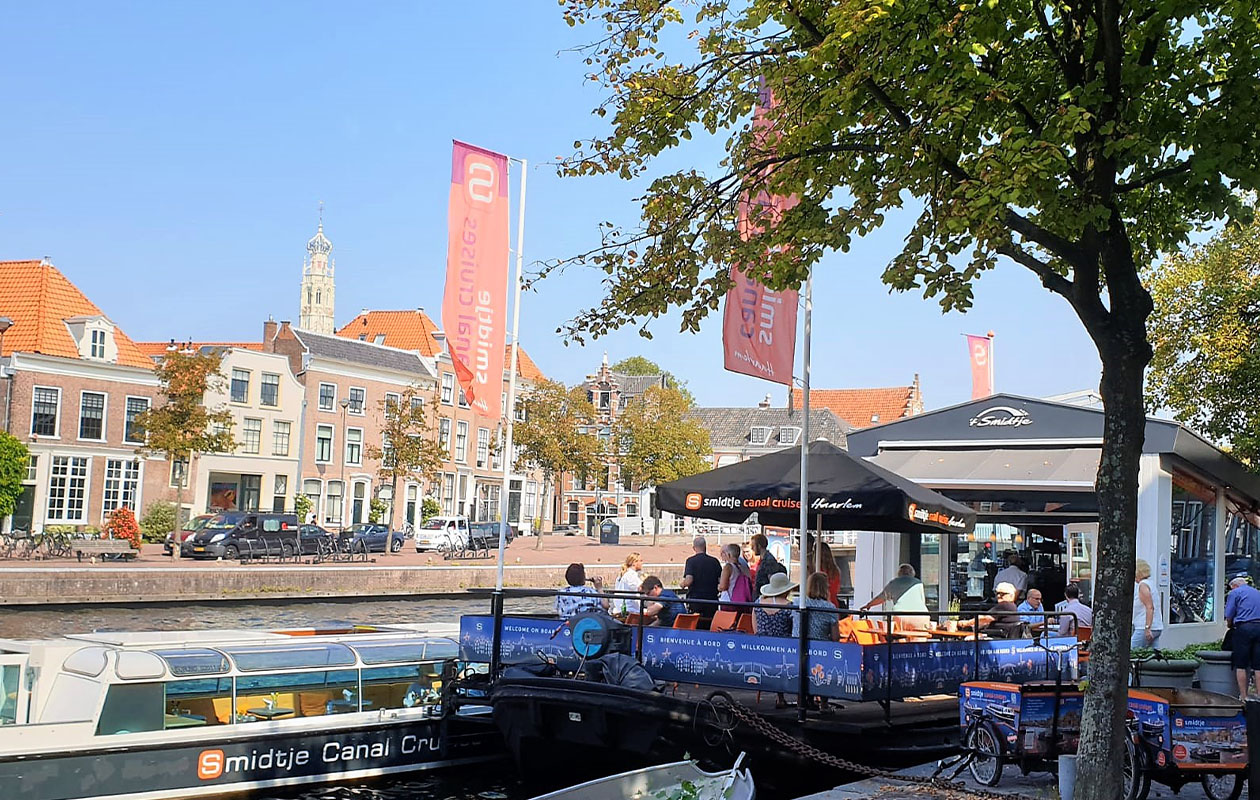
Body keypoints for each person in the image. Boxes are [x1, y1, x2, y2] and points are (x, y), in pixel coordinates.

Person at [753, 571, 796, 709]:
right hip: (784, 648)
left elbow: (755, 628)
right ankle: (791, 698)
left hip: (762, 648)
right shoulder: (790, 606)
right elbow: (793, 629)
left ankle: (780, 697)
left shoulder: (758, 603)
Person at [860, 563, 930, 630]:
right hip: (921, 615)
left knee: (900, 638)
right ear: (912, 573)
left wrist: (869, 605)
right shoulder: (918, 583)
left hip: (901, 615)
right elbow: (922, 600)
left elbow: (881, 598)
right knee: (920, 639)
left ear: (899, 573)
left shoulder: (894, 583)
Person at [1226, 576, 1260, 697]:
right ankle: (1259, 696)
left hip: (1244, 629)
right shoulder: (1257, 592)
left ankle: (1243, 697)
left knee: (1241, 665)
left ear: (1234, 585)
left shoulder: (1235, 593)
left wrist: (1230, 625)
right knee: (1258, 665)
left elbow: (1229, 615)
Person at [680, 536, 722, 616]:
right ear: (705, 547)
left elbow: (689, 580)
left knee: (695, 623)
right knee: (710, 623)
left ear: (694, 548)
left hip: (696, 599)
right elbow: (720, 580)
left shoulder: (691, 561)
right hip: (712, 599)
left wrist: (682, 584)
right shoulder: (714, 561)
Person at [795, 572, 842, 641]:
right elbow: (835, 637)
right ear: (826, 588)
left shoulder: (797, 602)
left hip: (796, 643)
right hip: (820, 646)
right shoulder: (830, 608)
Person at [1133, 558, 1164, 649]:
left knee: (1131, 652)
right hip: (1157, 627)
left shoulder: (1143, 586)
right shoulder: (1151, 584)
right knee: (1153, 656)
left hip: (1143, 627)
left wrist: (1147, 628)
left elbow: (1149, 607)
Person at [718, 543, 754, 612]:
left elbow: (723, 586)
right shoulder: (744, 567)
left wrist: (718, 586)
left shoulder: (728, 567)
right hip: (742, 601)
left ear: (729, 555)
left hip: (728, 602)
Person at [810, 541, 845, 608]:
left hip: (820, 604)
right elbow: (837, 590)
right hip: (834, 603)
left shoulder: (817, 570)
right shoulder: (836, 570)